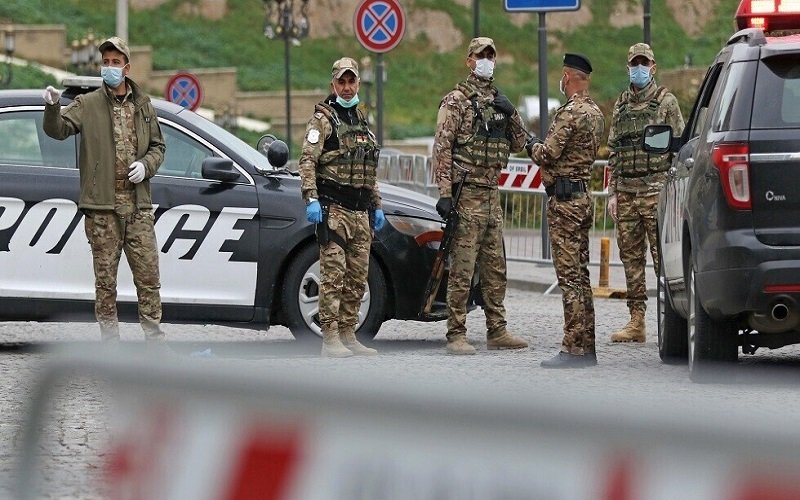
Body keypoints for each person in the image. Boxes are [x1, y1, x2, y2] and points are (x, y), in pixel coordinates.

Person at [42, 37, 167, 344]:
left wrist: (146, 166)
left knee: (149, 279)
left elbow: (158, 146)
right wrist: (52, 107)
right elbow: (58, 130)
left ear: (127, 67)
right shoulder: (88, 104)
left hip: (138, 207)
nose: (109, 67)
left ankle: (155, 343)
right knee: (106, 283)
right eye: (106, 62)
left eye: (115, 62)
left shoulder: (143, 105)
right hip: (103, 209)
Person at [432, 36, 530, 355]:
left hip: (491, 196)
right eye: (480, 55)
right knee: (462, 269)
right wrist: (445, 193)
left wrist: (512, 112)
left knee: (495, 268)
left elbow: (519, 143)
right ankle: (456, 333)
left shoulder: (499, 101)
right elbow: (442, 148)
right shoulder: (456, 101)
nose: (486, 60)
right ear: (469, 61)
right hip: (466, 195)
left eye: (491, 55)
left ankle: (497, 330)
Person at [298, 57, 384, 358]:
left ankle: (349, 333)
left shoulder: (361, 121)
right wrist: (311, 198)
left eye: (351, 81)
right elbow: (307, 161)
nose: (347, 87)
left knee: (357, 278)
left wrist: (377, 205)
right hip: (334, 210)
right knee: (333, 277)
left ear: (358, 83)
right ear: (333, 84)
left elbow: (368, 169)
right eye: (341, 82)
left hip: (361, 212)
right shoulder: (323, 120)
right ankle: (330, 338)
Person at [528, 53, 605, 368]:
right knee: (582, 276)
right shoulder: (596, 112)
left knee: (569, 277)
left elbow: (547, 154)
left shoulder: (570, 113)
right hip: (582, 198)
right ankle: (587, 346)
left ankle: (573, 348)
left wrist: (531, 144)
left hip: (564, 203)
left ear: (568, 77)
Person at [606, 43, 685, 343]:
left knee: (663, 259)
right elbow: (614, 151)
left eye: (644, 63)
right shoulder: (621, 104)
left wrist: (673, 190)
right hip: (626, 193)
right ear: (628, 66)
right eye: (634, 63)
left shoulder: (666, 102)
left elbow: (679, 147)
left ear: (653, 67)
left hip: (656, 191)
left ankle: (674, 321)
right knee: (631, 260)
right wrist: (613, 193)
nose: (638, 68)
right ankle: (636, 321)